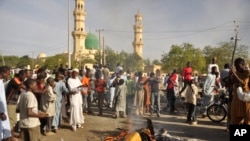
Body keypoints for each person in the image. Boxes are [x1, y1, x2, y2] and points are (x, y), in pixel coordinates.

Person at [230, 58, 250, 125]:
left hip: (245, 101)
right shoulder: (237, 72)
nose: (236, 67)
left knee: (247, 120)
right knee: (235, 120)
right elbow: (232, 82)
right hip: (236, 100)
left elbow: (243, 83)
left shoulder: (247, 72)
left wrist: (234, 74)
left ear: (242, 64)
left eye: (237, 65)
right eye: (235, 65)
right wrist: (232, 75)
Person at [0, 66, 13, 140]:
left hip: (3, 110)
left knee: (5, 131)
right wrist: (1, 112)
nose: (9, 76)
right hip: (1, 112)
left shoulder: (2, 82)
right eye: (8, 74)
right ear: (3, 73)